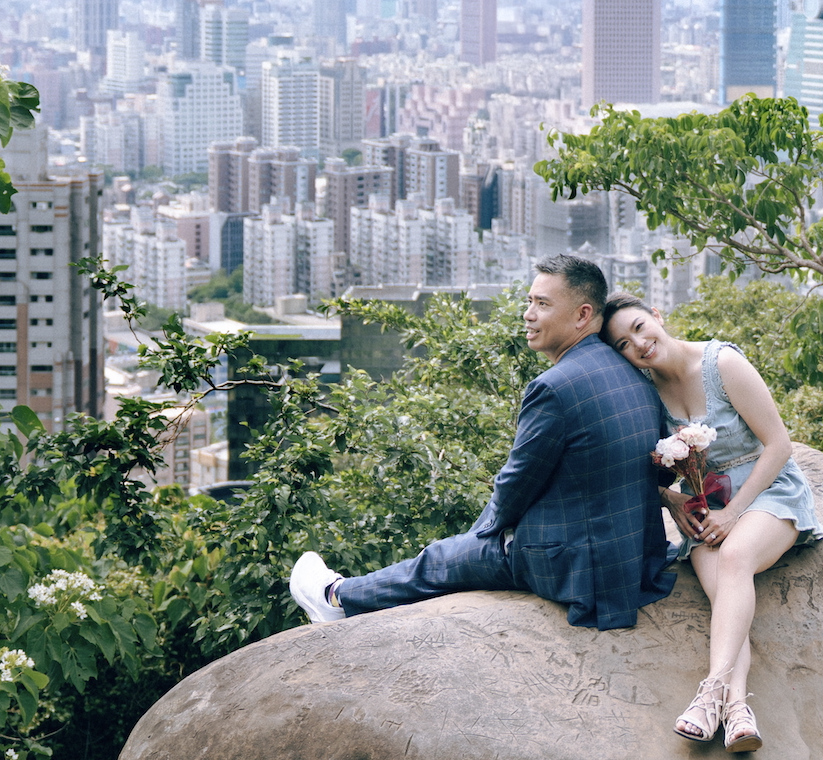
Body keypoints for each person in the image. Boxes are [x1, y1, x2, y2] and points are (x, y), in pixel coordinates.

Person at [288, 255, 675, 631]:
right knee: (460, 548)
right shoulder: (634, 375)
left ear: (582, 315)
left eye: (542, 304)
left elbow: (515, 485)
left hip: (572, 569)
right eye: (529, 302)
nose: (528, 314)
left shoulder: (554, 388)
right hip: (635, 561)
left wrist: (479, 538)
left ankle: (335, 598)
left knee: (442, 557)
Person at [599, 293, 823, 753]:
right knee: (724, 589)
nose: (639, 344)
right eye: (623, 344)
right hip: (708, 500)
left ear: (658, 316)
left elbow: (779, 444)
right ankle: (737, 710)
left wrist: (734, 513)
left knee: (736, 556)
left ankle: (709, 694)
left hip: (768, 490)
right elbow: (645, 471)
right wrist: (673, 501)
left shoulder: (721, 363)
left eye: (640, 327)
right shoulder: (647, 392)